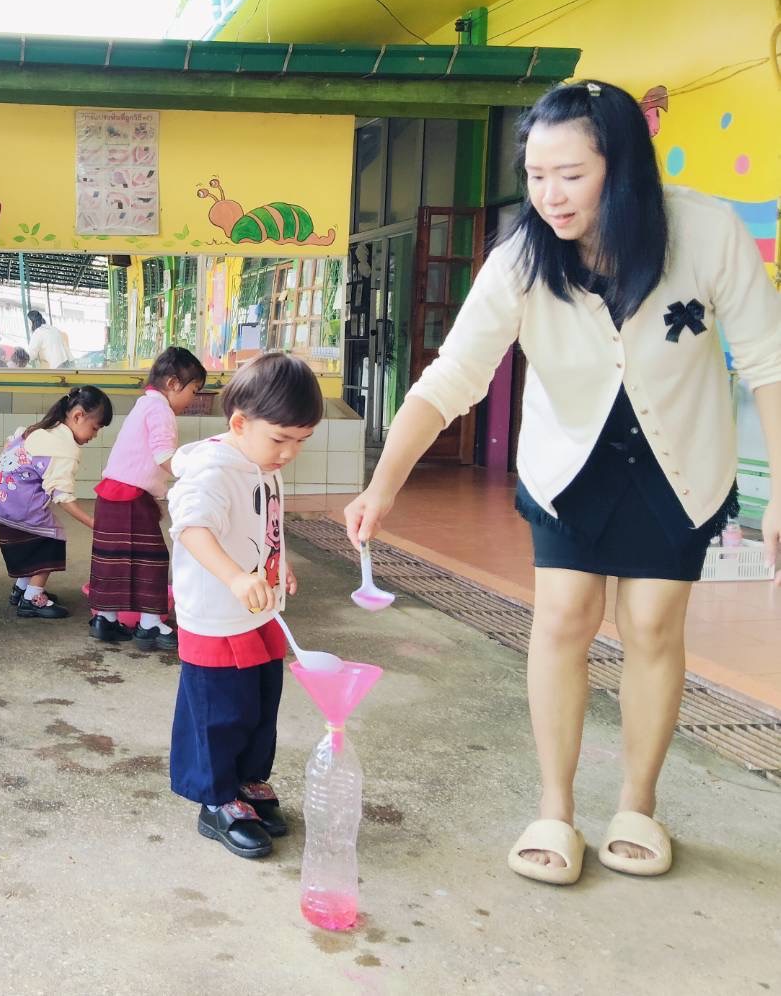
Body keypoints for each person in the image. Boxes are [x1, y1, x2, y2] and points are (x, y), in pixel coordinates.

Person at [344, 80, 781, 884]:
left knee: (652, 626)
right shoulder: (520, 258)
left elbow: (768, 361)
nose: (549, 196)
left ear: (622, 167)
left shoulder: (706, 230)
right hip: (568, 463)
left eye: (571, 175)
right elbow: (451, 377)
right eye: (536, 175)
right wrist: (383, 485)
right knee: (561, 620)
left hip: (677, 461)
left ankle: (637, 806)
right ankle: (553, 808)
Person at [168, 352, 322, 859]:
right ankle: (216, 800)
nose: (289, 452)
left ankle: (249, 782)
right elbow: (193, 529)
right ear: (239, 423)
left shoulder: (263, 463)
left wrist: (281, 562)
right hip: (217, 617)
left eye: (301, 440)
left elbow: (264, 526)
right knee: (220, 712)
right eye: (281, 439)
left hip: (258, 612)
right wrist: (235, 577)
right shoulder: (212, 470)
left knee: (259, 705)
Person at [89, 347, 207, 649]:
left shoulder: (145, 404)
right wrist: (195, 474)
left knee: (115, 560)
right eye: (193, 391)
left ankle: (106, 619)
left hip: (114, 496)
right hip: (129, 498)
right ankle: (150, 624)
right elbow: (163, 454)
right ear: (173, 384)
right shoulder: (160, 410)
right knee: (152, 559)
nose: (192, 399)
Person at [0, 386, 113, 619]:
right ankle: (32, 598)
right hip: (15, 506)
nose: (94, 435)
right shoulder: (63, 448)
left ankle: (21, 589)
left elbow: (9, 443)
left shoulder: (41, 428)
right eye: (95, 428)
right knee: (52, 538)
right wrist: (94, 523)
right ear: (78, 416)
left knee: (33, 543)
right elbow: (63, 497)